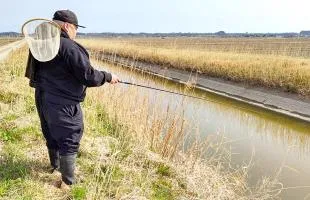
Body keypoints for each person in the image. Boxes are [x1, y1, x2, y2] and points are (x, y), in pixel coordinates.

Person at [25, 9, 120, 188]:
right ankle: (67, 184)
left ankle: (55, 167)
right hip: (63, 102)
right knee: (70, 136)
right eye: (76, 28)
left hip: (42, 97)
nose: (76, 32)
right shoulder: (69, 47)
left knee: (51, 133)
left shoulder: (41, 43)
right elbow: (89, 76)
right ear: (67, 26)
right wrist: (107, 76)